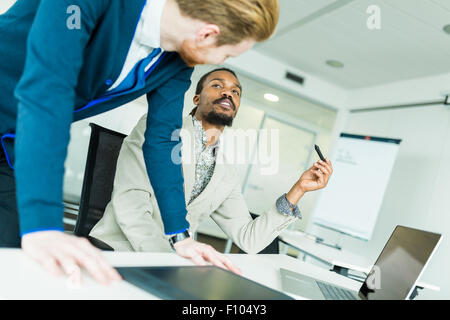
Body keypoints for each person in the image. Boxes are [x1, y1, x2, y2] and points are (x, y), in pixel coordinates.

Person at [0, 0, 279, 284]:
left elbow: (162, 141)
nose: (220, 62)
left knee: (15, 268)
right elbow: (48, 95)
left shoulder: (176, 62)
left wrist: (179, 237)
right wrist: (45, 226)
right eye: (227, 53)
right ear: (207, 34)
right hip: (24, 126)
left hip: (14, 148)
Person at [89, 68, 333, 273]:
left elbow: (249, 239)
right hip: (118, 254)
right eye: (217, 85)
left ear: (236, 108)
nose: (228, 92)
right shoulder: (159, 128)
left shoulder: (227, 171)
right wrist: (169, 259)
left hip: (173, 266)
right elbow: (131, 204)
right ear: (196, 99)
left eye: (235, 91)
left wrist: (298, 189)